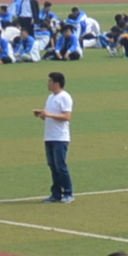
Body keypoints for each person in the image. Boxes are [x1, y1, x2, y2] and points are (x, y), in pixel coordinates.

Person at [35, 69, 75, 203]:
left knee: (60, 167)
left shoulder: (65, 97)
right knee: (52, 166)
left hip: (60, 137)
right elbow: (50, 116)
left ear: (57, 83)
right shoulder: (50, 97)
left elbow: (67, 116)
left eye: (50, 81)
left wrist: (49, 115)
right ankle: (56, 194)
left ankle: (68, 193)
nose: (48, 83)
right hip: (49, 136)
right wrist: (42, 115)